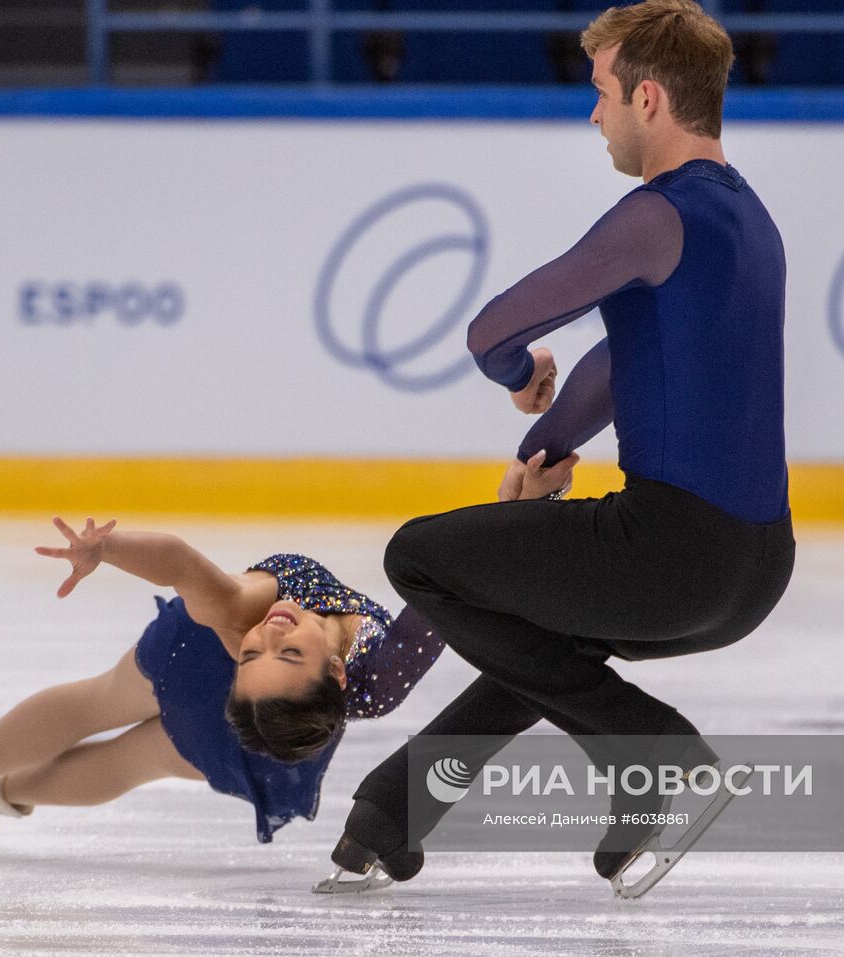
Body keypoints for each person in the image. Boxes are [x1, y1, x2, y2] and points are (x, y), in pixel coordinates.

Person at [327, 0, 796, 892]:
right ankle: (393, 812)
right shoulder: (752, 222)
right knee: (542, 634)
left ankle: (652, 752)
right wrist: (546, 450)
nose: (595, 115)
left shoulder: (656, 216)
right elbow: (629, 359)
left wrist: (515, 372)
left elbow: (492, 330)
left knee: (419, 556)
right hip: (757, 567)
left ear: (648, 99)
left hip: (669, 554)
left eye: (602, 92)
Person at [0, 517, 445, 853]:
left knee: (91, 704)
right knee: (131, 763)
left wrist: (110, 550)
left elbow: (180, 565)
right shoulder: (376, 674)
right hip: (248, 721)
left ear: (337, 674)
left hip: (240, 702)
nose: (270, 631)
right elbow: (453, 590)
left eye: (279, 650)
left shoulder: (244, 614)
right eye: (266, 649)